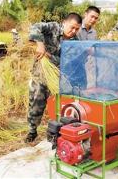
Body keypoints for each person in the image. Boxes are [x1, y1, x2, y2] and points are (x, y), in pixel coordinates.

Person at [25, 12, 82, 143]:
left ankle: (59, 131)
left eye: (77, 29)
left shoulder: (76, 41)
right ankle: (32, 130)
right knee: (36, 101)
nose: (73, 31)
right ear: (64, 23)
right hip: (41, 73)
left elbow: (67, 61)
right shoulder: (53, 28)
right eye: (72, 27)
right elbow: (35, 27)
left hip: (59, 76)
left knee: (60, 104)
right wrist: (40, 44)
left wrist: (49, 56)